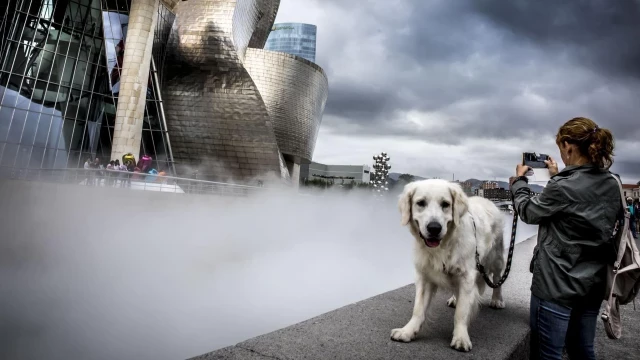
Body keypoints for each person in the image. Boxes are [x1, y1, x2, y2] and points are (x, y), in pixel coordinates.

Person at [509, 117, 621, 360]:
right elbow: (578, 207)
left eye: (561, 148)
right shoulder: (613, 182)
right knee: (583, 351)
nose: (561, 154)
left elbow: (529, 212)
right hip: (592, 284)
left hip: (556, 285)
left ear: (569, 146)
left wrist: (519, 182)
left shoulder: (562, 186)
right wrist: (557, 176)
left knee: (548, 354)